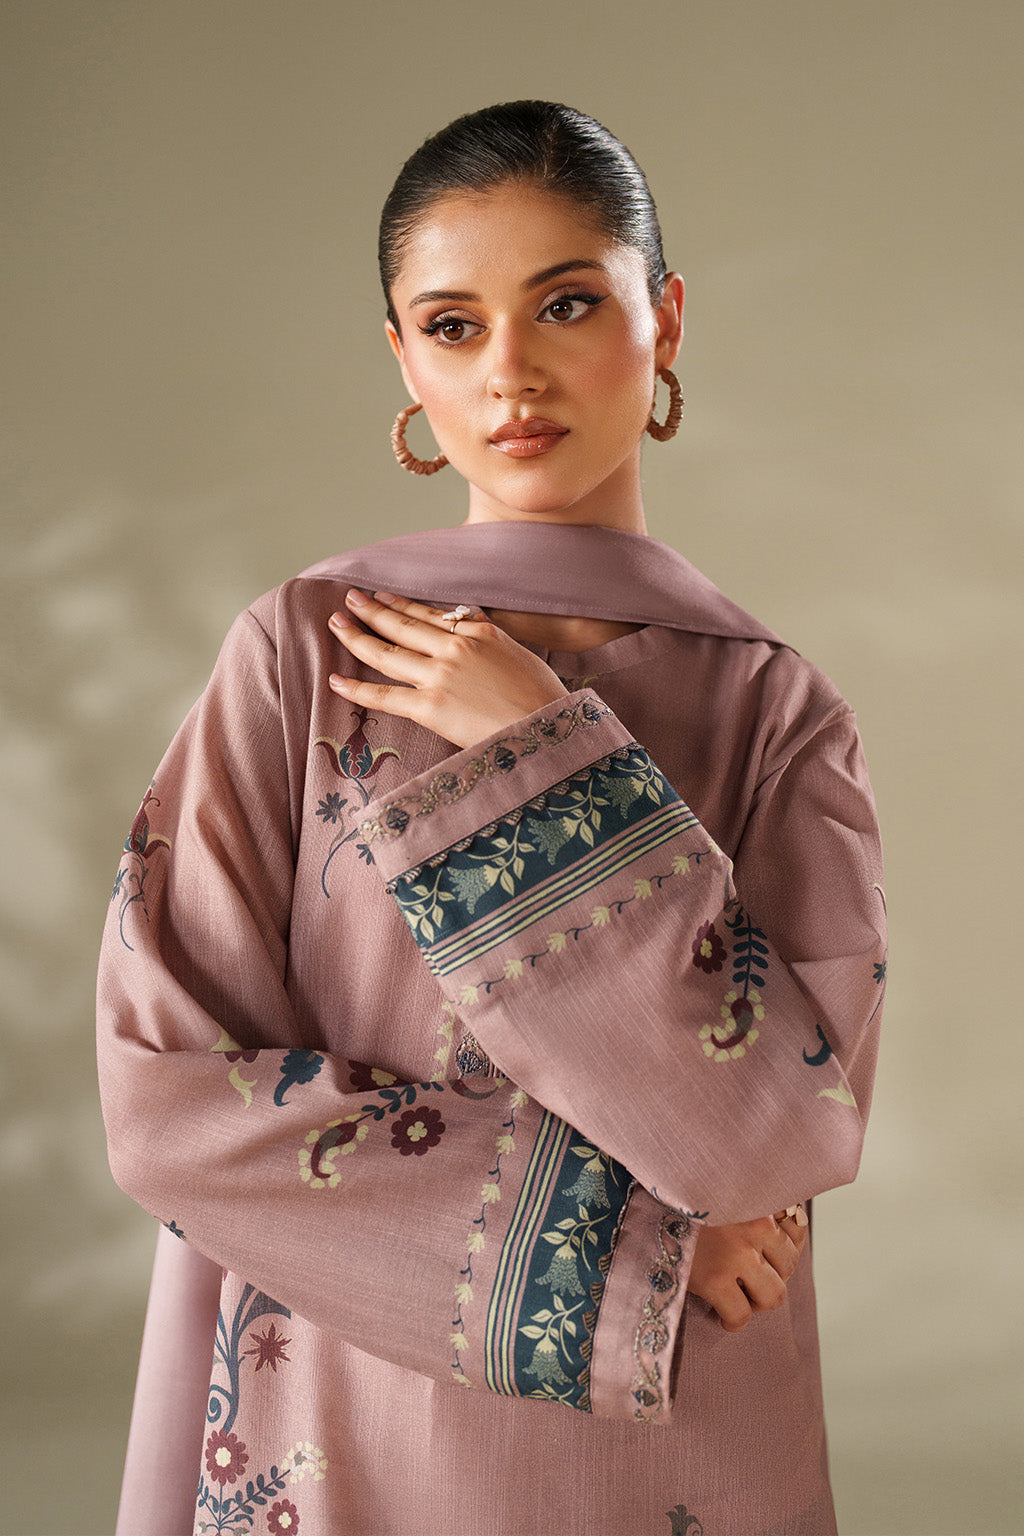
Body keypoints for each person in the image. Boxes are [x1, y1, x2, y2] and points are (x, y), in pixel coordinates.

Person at [97, 101, 885, 1536]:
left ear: (665, 319)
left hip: (680, 1432)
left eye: (566, 304)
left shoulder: (775, 709)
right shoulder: (304, 656)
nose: (510, 372)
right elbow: (170, 1097)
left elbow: (783, 1132)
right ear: (404, 361)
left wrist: (544, 747)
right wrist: (637, 1253)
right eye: (453, 327)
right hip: (353, 1416)